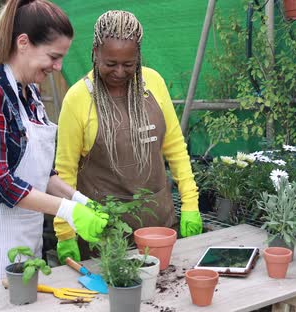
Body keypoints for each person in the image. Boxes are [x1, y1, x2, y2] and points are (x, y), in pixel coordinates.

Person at [0, 1, 108, 308]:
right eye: (53, 56)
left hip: (27, 241)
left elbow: (39, 174)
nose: (57, 66)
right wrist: (68, 212)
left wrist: (82, 202)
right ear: (23, 43)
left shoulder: (29, 95)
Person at [53, 10, 202, 263]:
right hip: (104, 235)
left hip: (160, 227)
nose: (120, 72)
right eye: (110, 64)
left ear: (138, 57)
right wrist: (65, 233)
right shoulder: (78, 99)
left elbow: (176, 148)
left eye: (129, 64)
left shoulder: (153, 83)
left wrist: (190, 203)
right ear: (95, 53)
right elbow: (64, 173)